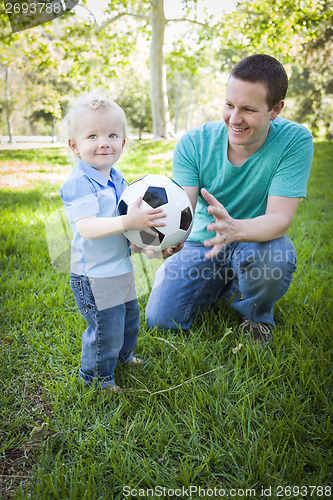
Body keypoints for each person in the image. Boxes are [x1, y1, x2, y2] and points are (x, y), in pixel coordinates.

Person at [145, 54, 313, 345]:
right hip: (203, 242)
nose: (234, 119)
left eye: (248, 109)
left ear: (275, 109)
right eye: (229, 105)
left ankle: (256, 316)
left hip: (257, 241)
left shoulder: (295, 141)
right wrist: (160, 238)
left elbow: (279, 220)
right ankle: (228, 285)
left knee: (277, 255)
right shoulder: (195, 142)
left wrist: (236, 229)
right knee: (161, 320)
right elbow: (182, 210)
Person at [60, 93, 166, 391]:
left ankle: (123, 356)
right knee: (106, 327)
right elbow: (89, 228)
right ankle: (96, 377)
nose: (103, 141)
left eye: (111, 134)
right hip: (94, 274)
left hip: (119, 268)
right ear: (74, 146)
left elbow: (125, 222)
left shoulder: (118, 179)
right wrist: (128, 223)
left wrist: (141, 241)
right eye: (92, 135)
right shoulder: (79, 183)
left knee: (129, 319)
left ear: (123, 142)